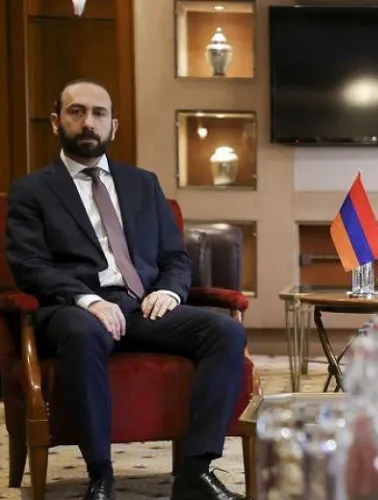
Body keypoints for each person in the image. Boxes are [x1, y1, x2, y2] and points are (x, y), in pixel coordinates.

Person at [4, 79, 247, 500]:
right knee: (83, 333)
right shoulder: (32, 191)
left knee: (224, 332)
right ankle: (100, 475)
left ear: (113, 126)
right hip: (72, 309)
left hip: (141, 306)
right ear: (56, 122)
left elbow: (175, 258)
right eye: (77, 112)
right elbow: (30, 266)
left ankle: (195, 471)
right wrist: (89, 300)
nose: (88, 122)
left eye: (99, 113)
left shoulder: (143, 184)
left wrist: (169, 291)